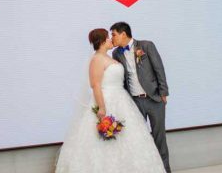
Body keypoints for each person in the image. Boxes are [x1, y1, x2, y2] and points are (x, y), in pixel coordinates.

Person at [55, 28, 166, 173]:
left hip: (122, 99)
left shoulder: (112, 56)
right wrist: (101, 107)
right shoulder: (96, 59)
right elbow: (95, 85)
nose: (111, 40)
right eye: (108, 38)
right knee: (105, 142)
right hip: (106, 101)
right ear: (101, 41)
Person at [110, 22, 171, 172]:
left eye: (114, 34)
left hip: (154, 99)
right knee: (140, 139)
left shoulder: (146, 46)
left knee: (159, 137)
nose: (112, 38)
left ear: (123, 34)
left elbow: (159, 69)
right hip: (135, 102)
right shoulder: (116, 53)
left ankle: (165, 170)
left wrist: (163, 93)